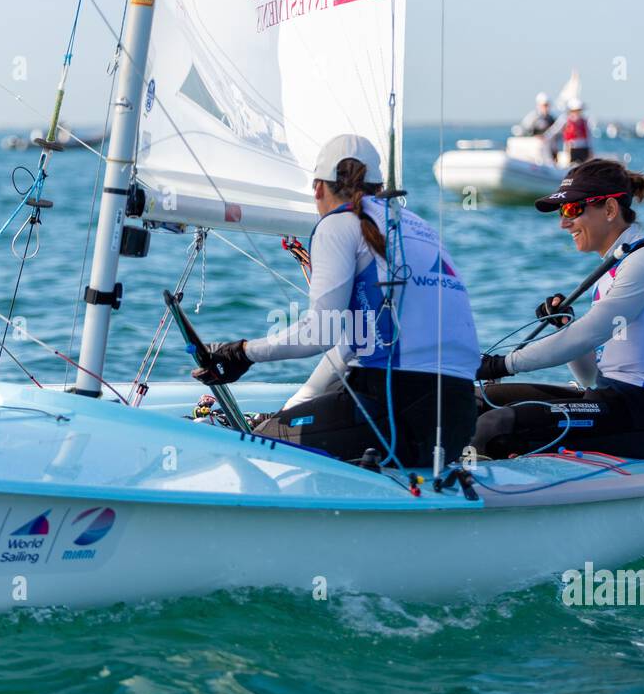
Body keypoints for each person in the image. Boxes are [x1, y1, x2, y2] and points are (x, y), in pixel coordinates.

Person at [193, 134, 480, 467]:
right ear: (379, 185)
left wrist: (242, 352)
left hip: (393, 410)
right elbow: (349, 345)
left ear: (318, 188)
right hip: (458, 419)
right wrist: (294, 406)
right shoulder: (417, 226)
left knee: (257, 443)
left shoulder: (339, 224)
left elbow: (321, 332)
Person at [472, 158, 644, 460]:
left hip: (643, 419)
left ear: (609, 210)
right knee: (476, 400)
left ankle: (452, 498)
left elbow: (589, 333)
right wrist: (565, 325)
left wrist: (501, 364)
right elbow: (591, 379)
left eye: (572, 209)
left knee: (496, 425)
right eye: (562, 211)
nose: (563, 222)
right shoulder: (615, 269)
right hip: (605, 400)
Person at [562, 98, 592, 163]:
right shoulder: (565, 120)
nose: (578, 113)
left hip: (583, 148)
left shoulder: (584, 121)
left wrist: (590, 149)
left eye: (579, 111)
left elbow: (588, 136)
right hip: (571, 148)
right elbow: (555, 131)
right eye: (576, 111)